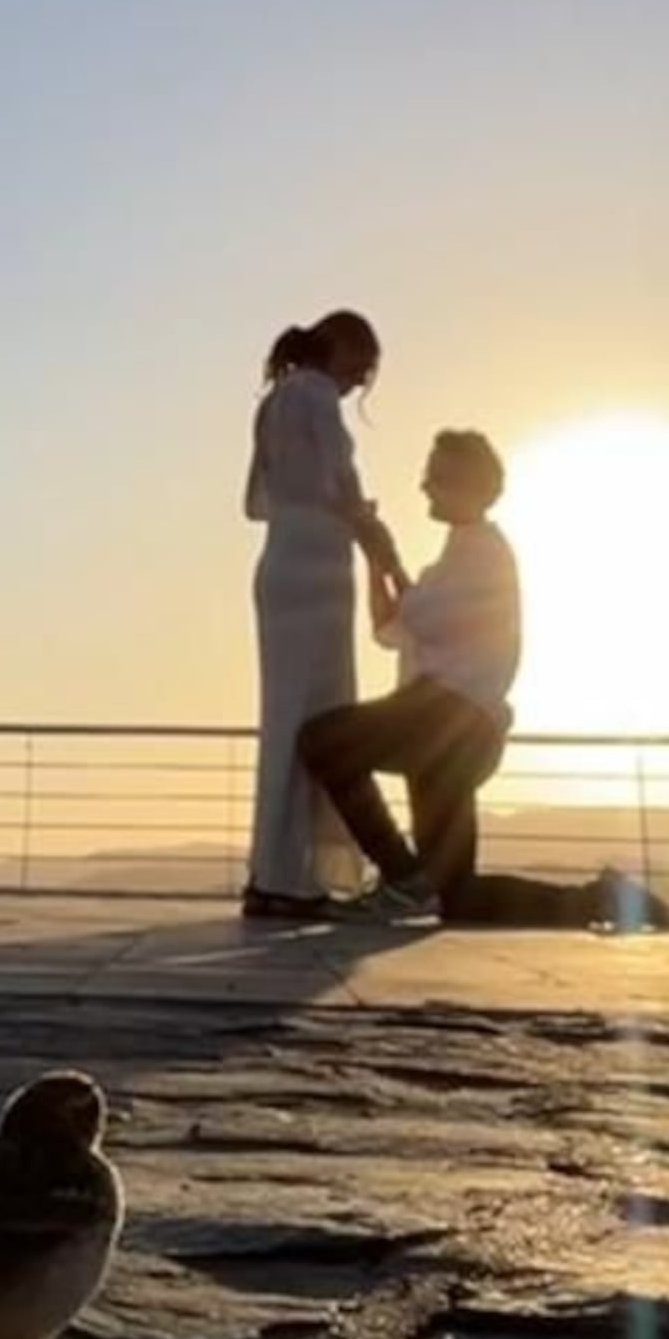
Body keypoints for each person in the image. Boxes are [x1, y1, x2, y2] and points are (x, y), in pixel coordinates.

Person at [297, 429, 669, 932]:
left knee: (324, 740)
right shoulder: (454, 561)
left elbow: (416, 616)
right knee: (458, 896)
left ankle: (404, 876)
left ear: (470, 484)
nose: (425, 485)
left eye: (437, 476)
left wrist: (387, 558)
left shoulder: (483, 555)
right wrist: (377, 561)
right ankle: (606, 899)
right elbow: (390, 627)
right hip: (448, 731)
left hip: (445, 718)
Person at [242, 310, 405, 919]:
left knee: (286, 719)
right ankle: (292, 880)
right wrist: (376, 539)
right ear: (339, 347)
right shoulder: (312, 395)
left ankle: (276, 873)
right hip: (316, 570)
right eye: (360, 367)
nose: (358, 382)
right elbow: (339, 486)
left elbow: (261, 502)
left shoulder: (278, 400)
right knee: (315, 722)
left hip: (284, 561)